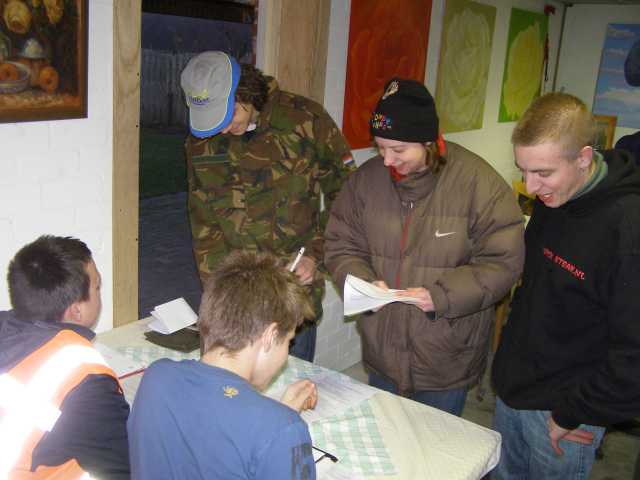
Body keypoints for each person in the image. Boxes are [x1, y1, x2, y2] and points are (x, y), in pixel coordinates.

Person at [324, 78, 524, 416]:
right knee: (387, 436)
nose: (387, 161)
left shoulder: (479, 183)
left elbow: (503, 262)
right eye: (380, 148)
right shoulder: (364, 182)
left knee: (436, 443)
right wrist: (362, 282)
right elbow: (341, 244)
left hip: (446, 353)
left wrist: (442, 295)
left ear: (428, 141)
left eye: (398, 150)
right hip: (383, 347)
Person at [491, 92, 640, 479]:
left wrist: (575, 413)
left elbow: (633, 356)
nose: (530, 186)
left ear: (584, 158)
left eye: (543, 172)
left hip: (564, 414)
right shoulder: (552, 198)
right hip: (514, 390)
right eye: (523, 170)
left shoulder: (627, 228)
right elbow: (533, 293)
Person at [180, 51, 354, 362]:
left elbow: (348, 193)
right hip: (238, 300)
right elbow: (204, 226)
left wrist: (316, 254)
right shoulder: (201, 142)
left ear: (244, 93)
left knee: (291, 382)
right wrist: (216, 296)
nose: (222, 129)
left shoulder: (305, 120)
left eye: (229, 115)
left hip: (292, 292)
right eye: (214, 121)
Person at [128, 250, 319, 479]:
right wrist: (283, 422)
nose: (287, 352)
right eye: (289, 341)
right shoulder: (284, 430)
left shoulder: (156, 377)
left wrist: (280, 416)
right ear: (269, 336)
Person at [0, 235, 130, 479]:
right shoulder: (86, 378)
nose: (99, 292)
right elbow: (122, 469)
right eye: (97, 287)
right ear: (76, 310)